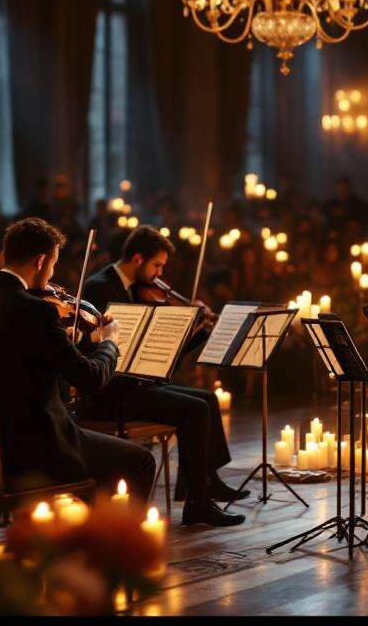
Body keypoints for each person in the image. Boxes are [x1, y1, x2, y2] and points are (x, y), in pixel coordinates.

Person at [0, 218, 155, 499]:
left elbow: (11, 360)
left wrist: (60, 342)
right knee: (141, 461)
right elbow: (92, 379)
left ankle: (78, 532)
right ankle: (105, 539)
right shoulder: (37, 311)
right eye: (53, 264)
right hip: (38, 451)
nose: (51, 274)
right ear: (40, 261)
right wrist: (109, 342)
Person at [77, 225, 246, 527]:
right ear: (138, 258)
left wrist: (198, 331)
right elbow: (109, 351)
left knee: (206, 398)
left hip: (136, 383)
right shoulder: (100, 288)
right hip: (111, 391)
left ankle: (202, 483)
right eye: (157, 265)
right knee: (195, 408)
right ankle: (198, 503)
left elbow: (164, 354)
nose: (159, 275)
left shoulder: (136, 290)